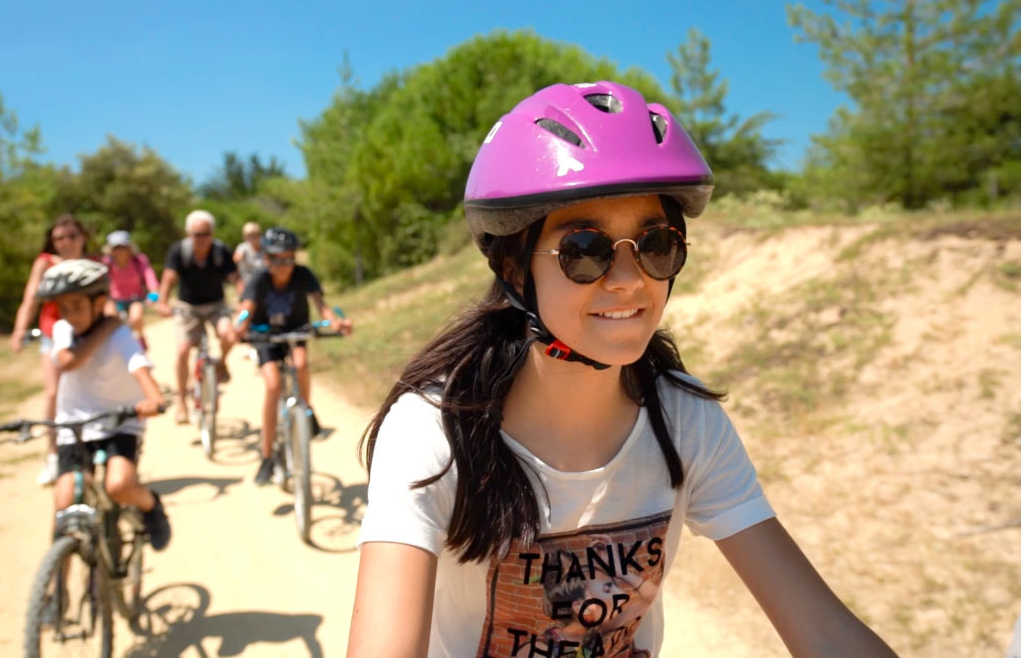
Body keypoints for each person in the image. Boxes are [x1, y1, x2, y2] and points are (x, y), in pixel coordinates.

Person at [347, 82, 895, 657]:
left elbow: (825, 631)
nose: (631, 278)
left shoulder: (685, 422)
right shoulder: (434, 431)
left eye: (657, 243)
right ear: (513, 267)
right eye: (585, 249)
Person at [36, 259, 170, 551]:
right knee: (64, 501)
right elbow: (69, 362)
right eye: (64, 307)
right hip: (74, 423)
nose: (70, 315)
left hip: (119, 420)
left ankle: (151, 506)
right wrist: (106, 325)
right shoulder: (63, 330)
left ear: (99, 302)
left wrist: (154, 401)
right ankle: (54, 587)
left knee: (119, 485)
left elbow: (145, 378)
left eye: (77, 305)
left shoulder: (122, 338)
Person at [228, 227, 352, 485]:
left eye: (288, 258)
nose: (283, 265)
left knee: (302, 363)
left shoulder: (303, 275)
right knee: (273, 384)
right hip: (266, 336)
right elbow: (246, 308)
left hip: (296, 331)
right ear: (265, 258)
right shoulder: (260, 279)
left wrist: (336, 323)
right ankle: (266, 455)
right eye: (276, 259)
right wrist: (238, 325)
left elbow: (322, 306)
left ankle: (306, 409)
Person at [9, 214, 94, 486]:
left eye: (72, 236)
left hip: (87, 334)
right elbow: (30, 299)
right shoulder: (44, 263)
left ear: (82, 238)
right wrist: (19, 330)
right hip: (52, 333)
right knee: (54, 392)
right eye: (60, 238)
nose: (66, 242)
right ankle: (53, 455)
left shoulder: (92, 265)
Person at [156, 210, 240, 424]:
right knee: (184, 350)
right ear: (188, 233)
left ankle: (221, 364)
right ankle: (182, 402)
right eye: (196, 234)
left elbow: (236, 279)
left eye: (205, 233)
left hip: (216, 305)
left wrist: (244, 302)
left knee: (228, 334)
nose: (201, 238)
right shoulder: (179, 251)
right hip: (188, 306)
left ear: (212, 233)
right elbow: (168, 279)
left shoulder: (220, 251)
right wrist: (163, 302)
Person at [104, 230, 159, 349]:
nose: (120, 251)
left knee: (136, 317)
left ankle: (140, 337)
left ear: (129, 248)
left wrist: (153, 295)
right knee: (110, 322)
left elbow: (150, 278)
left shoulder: (139, 261)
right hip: (115, 301)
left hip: (136, 299)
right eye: (116, 248)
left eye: (123, 247)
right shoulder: (107, 263)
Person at [233, 221, 264, 288]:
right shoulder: (243, 247)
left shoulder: (265, 248)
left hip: (262, 282)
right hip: (247, 283)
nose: (253, 238)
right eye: (250, 235)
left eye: (255, 235)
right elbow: (235, 259)